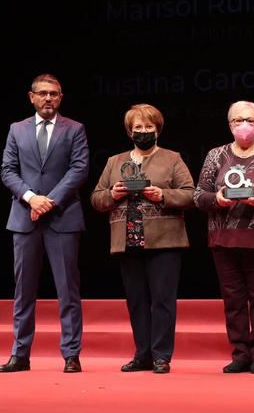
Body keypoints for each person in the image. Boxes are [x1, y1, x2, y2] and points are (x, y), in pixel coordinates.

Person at [91, 104, 195, 374]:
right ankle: (142, 354)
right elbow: (96, 198)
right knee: (136, 300)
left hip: (165, 241)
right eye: (138, 127)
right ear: (130, 131)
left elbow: (190, 194)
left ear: (158, 130)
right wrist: (111, 195)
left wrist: (162, 195)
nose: (144, 132)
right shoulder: (115, 161)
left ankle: (161, 356)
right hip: (127, 240)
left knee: (162, 300)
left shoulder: (172, 158)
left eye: (149, 127)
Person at [194, 101, 254, 375]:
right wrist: (218, 199)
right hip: (224, 239)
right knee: (233, 299)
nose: (244, 125)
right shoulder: (216, 155)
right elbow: (198, 196)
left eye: (249, 120)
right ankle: (240, 353)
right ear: (229, 125)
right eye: (238, 121)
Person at [0, 73, 89, 373]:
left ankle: (71, 354)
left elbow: (79, 169)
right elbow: (8, 170)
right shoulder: (16, 129)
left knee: (67, 289)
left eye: (54, 93)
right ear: (31, 96)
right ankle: (20, 353)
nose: (48, 98)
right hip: (24, 218)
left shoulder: (74, 129)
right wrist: (30, 198)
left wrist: (48, 201)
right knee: (23, 291)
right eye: (42, 93)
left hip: (62, 217)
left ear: (60, 97)